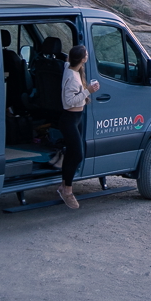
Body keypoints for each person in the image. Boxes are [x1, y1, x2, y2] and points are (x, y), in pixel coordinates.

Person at [56, 44, 99, 209]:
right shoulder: (73, 77)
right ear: (83, 59)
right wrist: (88, 91)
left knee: (72, 153)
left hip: (77, 118)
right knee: (78, 155)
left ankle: (63, 186)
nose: (87, 56)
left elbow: (66, 60)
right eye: (86, 54)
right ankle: (67, 191)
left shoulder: (69, 67)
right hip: (69, 119)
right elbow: (68, 102)